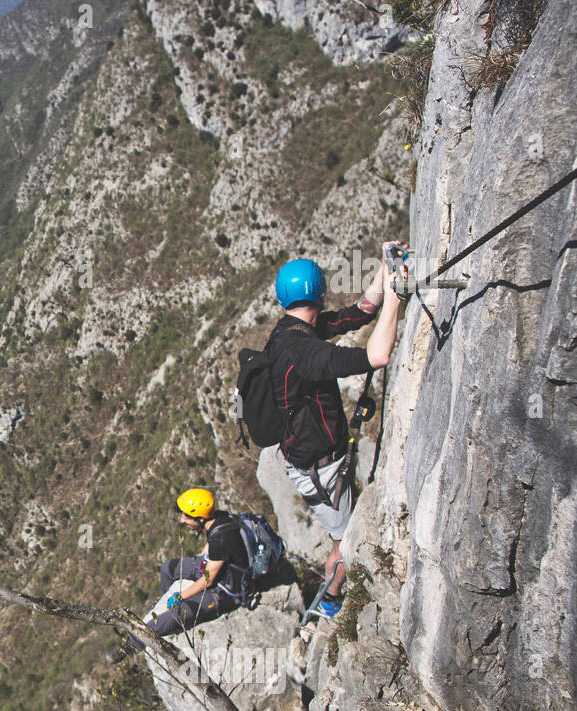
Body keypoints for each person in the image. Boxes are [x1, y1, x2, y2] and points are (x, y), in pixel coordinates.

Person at [266, 244, 407, 617]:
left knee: (342, 533)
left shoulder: (293, 330)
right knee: (343, 545)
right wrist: (395, 302)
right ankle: (330, 599)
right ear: (320, 291)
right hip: (320, 469)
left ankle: (332, 592)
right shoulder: (306, 352)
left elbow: (359, 313)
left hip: (317, 459)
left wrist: (384, 274)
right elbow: (375, 357)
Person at [151, 488, 252, 637]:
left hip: (225, 592)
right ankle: (165, 606)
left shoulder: (221, 539)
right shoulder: (220, 518)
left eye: (187, 516)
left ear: (200, 518)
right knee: (167, 568)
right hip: (214, 566)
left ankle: (133, 642)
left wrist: (180, 596)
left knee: (173, 615)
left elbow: (208, 580)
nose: (182, 520)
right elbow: (211, 544)